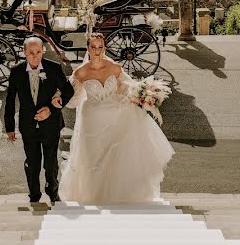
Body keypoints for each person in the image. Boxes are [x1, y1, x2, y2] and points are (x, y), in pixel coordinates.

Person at [58, 33, 174, 204]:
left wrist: (145, 94)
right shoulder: (80, 72)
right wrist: (56, 98)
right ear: (88, 48)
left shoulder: (114, 67)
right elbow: (71, 97)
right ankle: (93, 194)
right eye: (93, 47)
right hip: (92, 119)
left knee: (114, 155)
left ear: (104, 48)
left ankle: (115, 194)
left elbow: (129, 88)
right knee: (93, 157)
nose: (97, 51)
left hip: (114, 116)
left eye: (100, 47)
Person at [4, 36, 75, 203]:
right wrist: (9, 126)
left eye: (38, 52)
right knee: (32, 162)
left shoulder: (54, 68)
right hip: (28, 125)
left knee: (50, 163)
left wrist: (51, 109)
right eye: (31, 53)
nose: (35, 56)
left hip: (50, 124)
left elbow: (68, 91)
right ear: (24, 53)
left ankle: (52, 191)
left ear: (42, 52)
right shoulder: (16, 71)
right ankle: (34, 194)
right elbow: (10, 99)